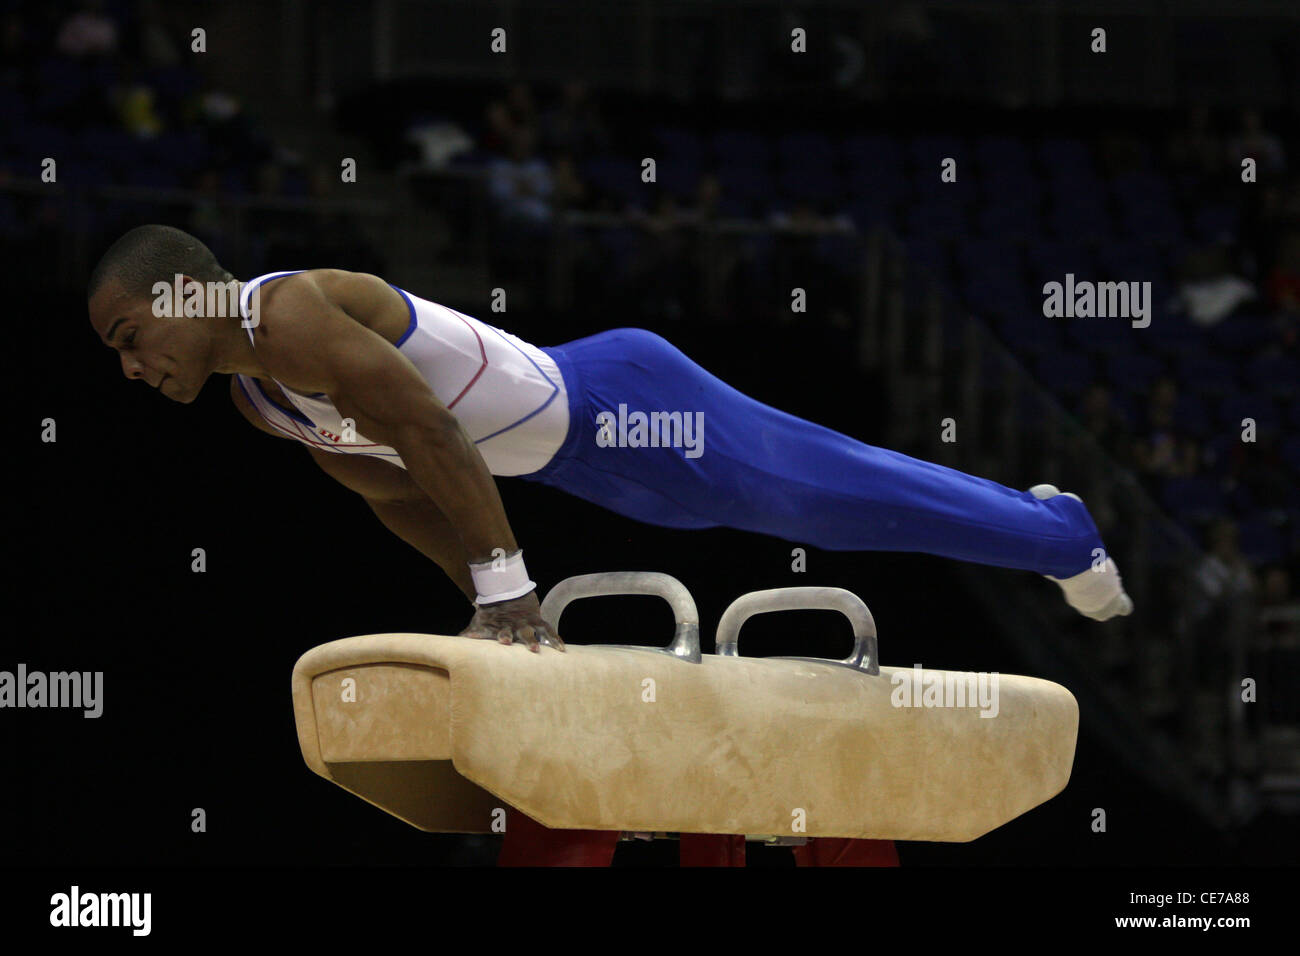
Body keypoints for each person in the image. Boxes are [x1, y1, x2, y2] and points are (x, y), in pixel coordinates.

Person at [87, 226, 1134, 650]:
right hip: (594, 473)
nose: (133, 368)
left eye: (131, 337)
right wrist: (483, 609)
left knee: (831, 498)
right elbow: (396, 489)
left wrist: (509, 587)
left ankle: (1058, 535)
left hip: (624, 401)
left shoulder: (293, 314)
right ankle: (1037, 523)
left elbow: (429, 426)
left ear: (187, 291)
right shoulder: (258, 400)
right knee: (820, 497)